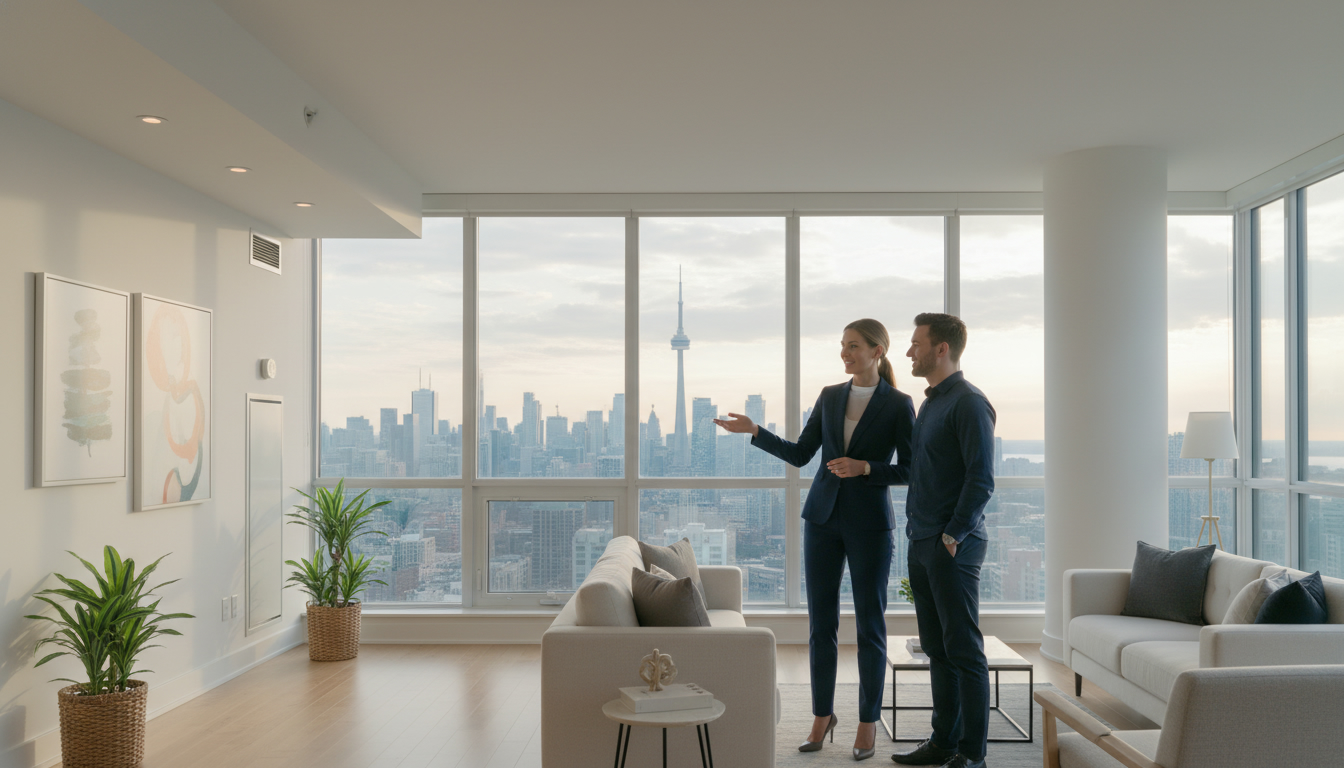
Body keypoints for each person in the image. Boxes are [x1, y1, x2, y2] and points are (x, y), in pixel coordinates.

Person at [716, 319, 915, 761]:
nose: (845, 354)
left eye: (854, 346)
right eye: (842, 346)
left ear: (878, 351)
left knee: (870, 627)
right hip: (821, 521)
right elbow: (802, 453)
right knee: (820, 626)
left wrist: (865, 468)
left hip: (869, 526)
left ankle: (867, 722)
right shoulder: (829, 396)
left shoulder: (899, 404)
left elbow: (911, 469)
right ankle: (822, 717)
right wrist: (754, 432)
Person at [889, 313, 996, 768]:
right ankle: (943, 743)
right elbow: (919, 471)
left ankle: (972, 756)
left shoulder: (970, 403)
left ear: (941, 349)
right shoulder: (930, 404)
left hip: (952, 544)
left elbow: (982, 479)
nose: (908, 351)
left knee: (964, 651)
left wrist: (953, 534)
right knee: (936, 648)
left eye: (916, 343)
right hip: (923, 539)